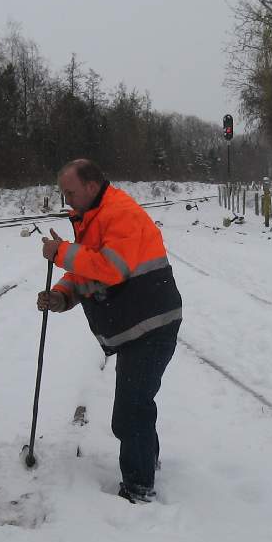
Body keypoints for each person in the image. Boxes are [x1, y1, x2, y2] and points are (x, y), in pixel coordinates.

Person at [37, 159, 182, 503]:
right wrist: (62, 294)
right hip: (136, 328)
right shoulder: (93, 217)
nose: (66, 199)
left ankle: (138, 488)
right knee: (137, 407)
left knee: (130, 412)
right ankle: (148, 462)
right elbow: (90, 265)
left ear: (90, 186)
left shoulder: (120, 214)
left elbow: (110, 268)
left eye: (70, 192)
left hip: (153, 326)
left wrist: (61, 253)